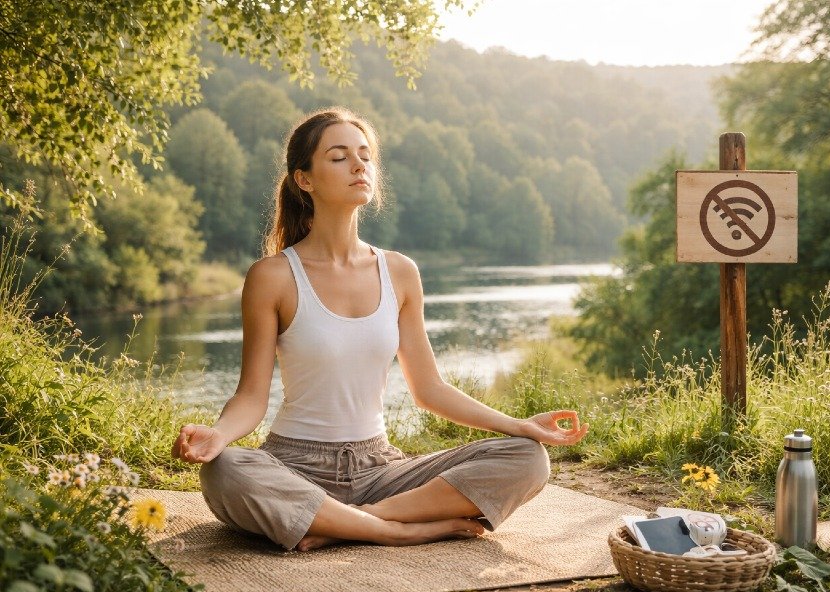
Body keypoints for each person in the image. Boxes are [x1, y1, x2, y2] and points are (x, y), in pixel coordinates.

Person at [171, 107, 589, 552]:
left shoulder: (400, 272)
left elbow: (429, 389)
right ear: (304, 180)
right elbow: (252, 397)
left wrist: (519, 425)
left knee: (527, 458)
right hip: (294, 467)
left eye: (365, 156)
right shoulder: (272, 276)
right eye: (339, 157)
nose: (359, 166)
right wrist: (220, 434)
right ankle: (395, 529)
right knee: (225, 469)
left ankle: (347, 522)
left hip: (381, 471)